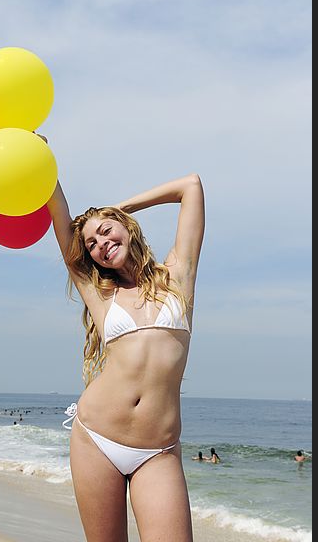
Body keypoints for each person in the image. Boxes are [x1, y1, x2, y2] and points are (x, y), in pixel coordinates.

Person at [48, 172, 204, 542]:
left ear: (127, 227)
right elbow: (59, 213)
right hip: (97, 439)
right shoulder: (100, 294)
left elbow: (191, 187)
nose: (100, 243)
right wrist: (44, 166)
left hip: (159, 450)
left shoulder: (178, 276)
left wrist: (122, 207)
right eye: (91, 243)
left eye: (106, 231)